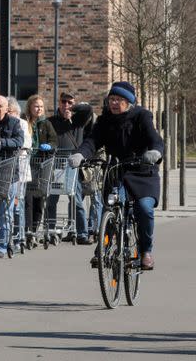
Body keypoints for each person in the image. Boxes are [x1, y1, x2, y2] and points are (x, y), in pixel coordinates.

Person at [69, 82, 163, 271]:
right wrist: (81, 154)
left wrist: (155, 152)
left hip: (142, 170)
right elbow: (92, 141)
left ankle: (146, 251)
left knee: (144, 208)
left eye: (119, 100)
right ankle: (102, 248)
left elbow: (155, 139)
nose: (114, 103)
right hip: (117, 171)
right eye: (111, 99)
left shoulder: (142, 116)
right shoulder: (105, 120)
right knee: (110, 206)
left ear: (129, 102)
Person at [48, 92, 95, 244]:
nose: (66, 105)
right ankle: (50, 230)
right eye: (63, 102)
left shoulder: (78, 120)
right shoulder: (52, 121)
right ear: (59, 103)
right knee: (52, 200)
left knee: (76, 200)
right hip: (56, 165)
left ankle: (82, 233)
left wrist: (73, 112)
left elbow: (88, 110)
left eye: (69, 102)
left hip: (73, 165)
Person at [0, 95, 25, 257]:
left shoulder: (14, 122)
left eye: (0, 106)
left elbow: (18, 141)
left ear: (6, 108)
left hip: (8, 172)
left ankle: (2, 244)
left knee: (5, 211)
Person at [24, 94, 58, 240]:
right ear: (30, 107)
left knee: (39, 198)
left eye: (41, 106)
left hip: (42, 165)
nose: (39, 109)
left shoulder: (46, 123)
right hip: (28, 164)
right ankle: (27, 229)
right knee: (28, 198)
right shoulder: (25, 122)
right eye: (36, 106)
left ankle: (34, 228)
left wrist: (49, 146)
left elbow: (54, 141)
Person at [7, 97, 32, 250]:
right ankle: (8, 236)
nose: (7, 114)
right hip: (5, 170)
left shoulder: (21, 124)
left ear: (16, 112)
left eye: (10, 111)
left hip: (20, 170)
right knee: (8, 206)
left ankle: (19, 236)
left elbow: (26, 143)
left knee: (17, 205)